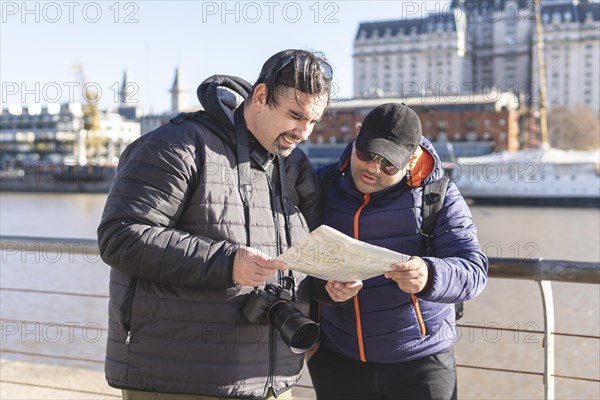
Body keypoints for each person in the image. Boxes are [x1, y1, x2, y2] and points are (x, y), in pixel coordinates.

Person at [97, 49, 362, 400]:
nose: (304, 132)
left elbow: (306, 258)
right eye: (295, 115)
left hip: (269, 380)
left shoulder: (295, 166)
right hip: (177, 378)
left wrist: (328, 284)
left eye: (312, 121)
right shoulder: (177, 145)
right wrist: (227, 263)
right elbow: (121, 237)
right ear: (262, 96)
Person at [307, 103, 488, 400]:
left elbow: (475, 271)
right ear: (356, 136)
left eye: (388, 164)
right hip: (338, 361)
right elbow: (292, 260)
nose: (372, 168)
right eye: (366, 154)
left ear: (411, 158)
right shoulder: (322, 184)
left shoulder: (437, 194)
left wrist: (430, 274)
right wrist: (324, 290)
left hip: (421, 364)